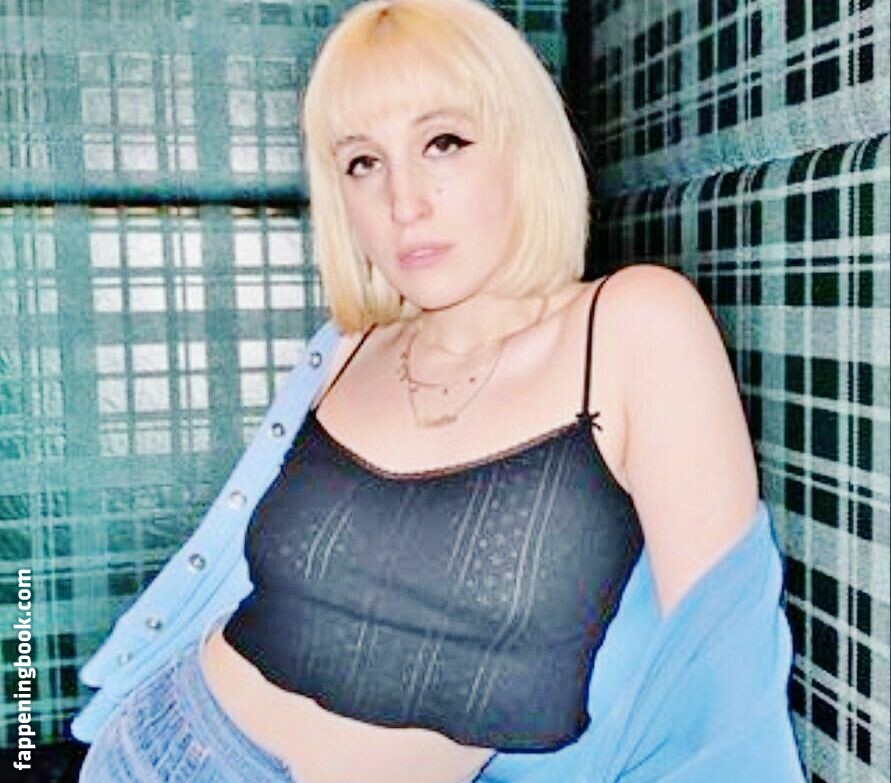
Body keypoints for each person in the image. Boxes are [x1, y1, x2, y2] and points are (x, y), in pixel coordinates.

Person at [76, 0, 805, 781]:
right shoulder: (344, 352)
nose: (403, 202)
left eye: (443, 142)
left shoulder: (631, 325)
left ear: (522, 146)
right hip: (151, 747)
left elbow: (719, 687)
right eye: (363, 162)